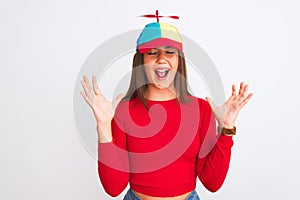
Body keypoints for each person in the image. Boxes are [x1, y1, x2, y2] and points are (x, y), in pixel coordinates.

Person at [80, 21, 253, 200]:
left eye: (170, 52)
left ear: (179, 60)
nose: (162, 59)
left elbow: (212, 183)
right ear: (141, 62)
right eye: (152, 53)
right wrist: (103, 125)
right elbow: (113, 188)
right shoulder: (125, 110)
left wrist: (226, 128)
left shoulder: (201, 110)